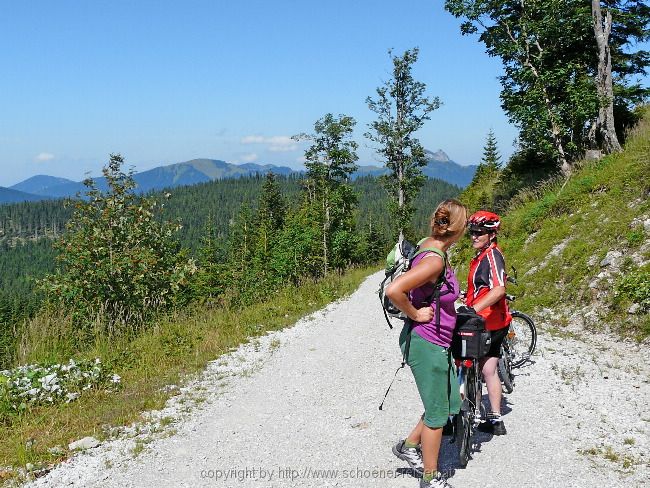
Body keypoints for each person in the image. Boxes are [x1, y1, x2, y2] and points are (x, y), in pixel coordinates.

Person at [386, 199, 468, 488]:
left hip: (438, 341)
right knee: (437, 414)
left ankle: (409, 447)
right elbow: (394, 290)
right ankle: (430, 477)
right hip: (426, 342)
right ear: (458, 229)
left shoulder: (429, 244)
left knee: (448, 404)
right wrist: (416, 313)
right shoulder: (434, 259)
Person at [462, 210, 511, 436]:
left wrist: (473, 308)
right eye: (471, 232)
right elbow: (482, 288)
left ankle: (455, 416)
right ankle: (495, 419)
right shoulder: (483, 255)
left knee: (468, 362)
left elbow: (499, 289)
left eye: (479, 232)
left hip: (488, 322)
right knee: (489, 369)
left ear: (491, 234)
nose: (474, 236)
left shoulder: (492, 256)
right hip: (490, 320)